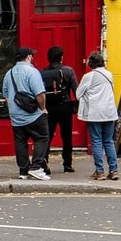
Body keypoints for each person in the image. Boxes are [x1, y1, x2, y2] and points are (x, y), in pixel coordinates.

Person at [2, 47, 49, 179]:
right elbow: (40, 94)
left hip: (15, 115)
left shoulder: (9, 73)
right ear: (28, 57)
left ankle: (23, 170)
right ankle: (36, 167)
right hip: (33, 113)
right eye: (31, 55)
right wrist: (43, 108)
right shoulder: (32, 72)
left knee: (20, 142)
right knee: (42, 137)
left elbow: (6, 95)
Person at [75, 50, 119, 180]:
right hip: (109, 112)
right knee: (109, 141)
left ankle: (99, 171)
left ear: (91, 63)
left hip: (95, 112)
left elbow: (78, 94)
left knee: (97, 140)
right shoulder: (109, 74)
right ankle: (114, 170)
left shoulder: (89, 76)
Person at [40, 45, 79, 174]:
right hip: (65, 106)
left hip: (49, 107)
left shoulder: (42, 72)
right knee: (67, 136)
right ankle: (67, 164)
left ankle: (44, 162)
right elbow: (76, 90)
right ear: (61, 58)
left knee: (47, 136)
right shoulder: (68, 71)